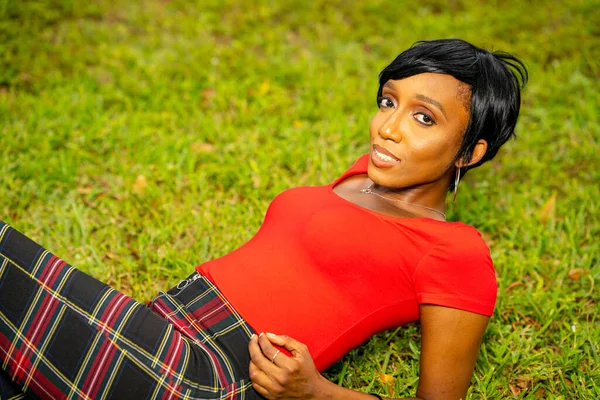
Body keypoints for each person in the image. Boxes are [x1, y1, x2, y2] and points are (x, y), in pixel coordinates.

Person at [0, 38, 527, 400]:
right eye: (388, 101)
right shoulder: (361, 176)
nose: (388, 128)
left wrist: (316, 392)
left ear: (470, 152)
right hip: (158, 327)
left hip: (205, 378)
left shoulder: (455, 252)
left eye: (423, 117)